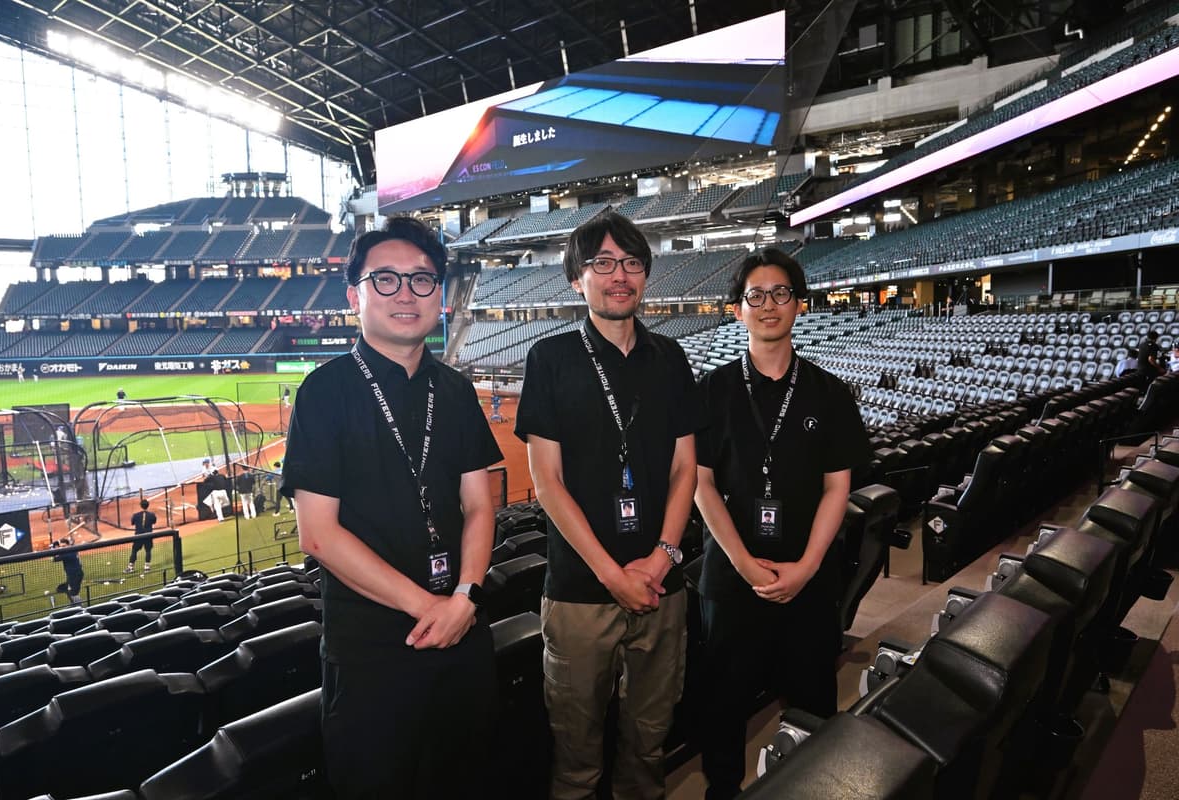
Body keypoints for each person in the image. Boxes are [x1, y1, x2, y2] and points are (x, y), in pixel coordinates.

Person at [281, 216, 504, 799]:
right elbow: (318, 535)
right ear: (355, 295)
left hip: (462, 634)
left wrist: (464, 598)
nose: (406, 293)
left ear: (440, 296)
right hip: (373, 654)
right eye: (386, 279)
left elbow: (480, 505)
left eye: (422, 279)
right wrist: (430, 607)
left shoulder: (454, 390)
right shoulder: (324, 392)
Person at [516, 211, 701, 800]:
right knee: (576, 756)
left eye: (631, 262)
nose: (619, 275)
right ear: (577, 279)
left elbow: (685, 468)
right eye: (602, 263)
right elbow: (547, 482)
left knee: (649, 744)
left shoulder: (671, 357)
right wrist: (611, 574)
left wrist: (662, 557)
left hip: (661, 585)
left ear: (645, 275)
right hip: (579, 591)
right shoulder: (549, 358)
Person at [693, 247, 870, 800]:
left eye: (780, 293)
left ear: (799, 305)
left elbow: (837, 488)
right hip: (732, 578)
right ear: (737, 310)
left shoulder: (830, 393)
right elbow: (700, 485)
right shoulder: (710, 392)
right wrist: (745, 565)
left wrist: (807, 566)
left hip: (808, 578)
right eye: (755, 295)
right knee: (723, 705)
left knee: (814, 701)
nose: (768, 305)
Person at [125, 498, 157, 573]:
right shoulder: (152, 515)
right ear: (148, 505)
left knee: (134, 550)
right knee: (148, 550)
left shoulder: (135, 515)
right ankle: (147, 567)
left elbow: (132, 523)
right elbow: (154, 521)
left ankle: (131, 567)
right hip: (148, 535)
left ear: (141, 506)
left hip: (138, 536)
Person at [52, 537, 84, 605]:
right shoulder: (73, 549)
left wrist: (54, 548)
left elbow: (54, 559)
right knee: (66, 589)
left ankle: (79, 606)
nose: (62, 548)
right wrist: (56, 547)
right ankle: (74, 603)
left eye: (64, 546)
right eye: (61, 546)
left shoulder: (66, 554)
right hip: (73, 574)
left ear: (68, 545)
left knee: (73, 592)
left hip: (75, 575)